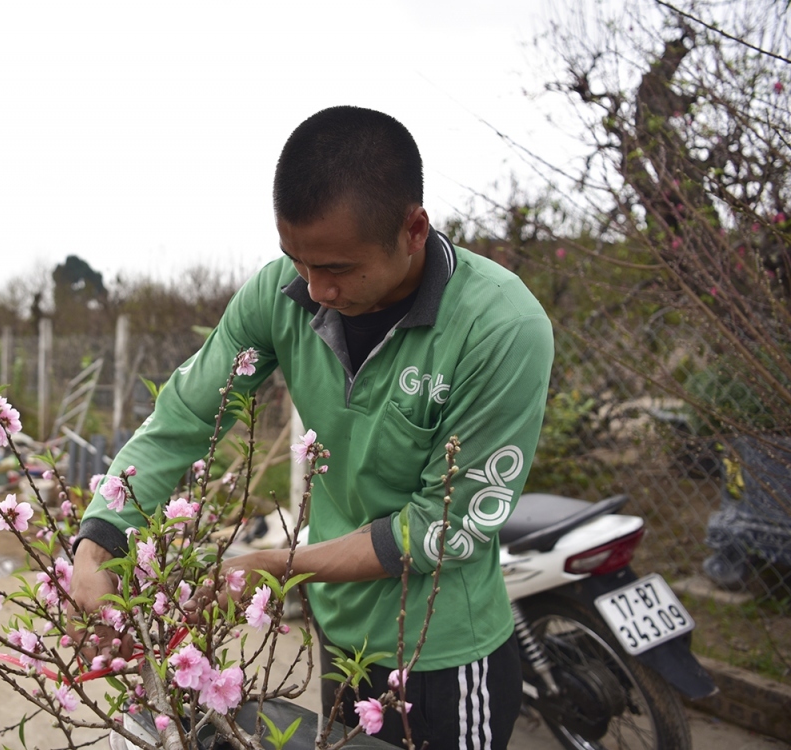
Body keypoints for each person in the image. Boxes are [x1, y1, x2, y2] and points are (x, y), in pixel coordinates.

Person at [70, 106, 553, 750]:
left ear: (413, 230)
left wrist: (275, 564)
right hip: (338, 635)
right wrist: (99, 541)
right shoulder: (282, 292)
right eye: (296, 259)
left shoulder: (499, 327)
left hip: (440, 652)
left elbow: (444, 524)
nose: (314, 287)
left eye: (338, 268)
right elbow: (188, 414)